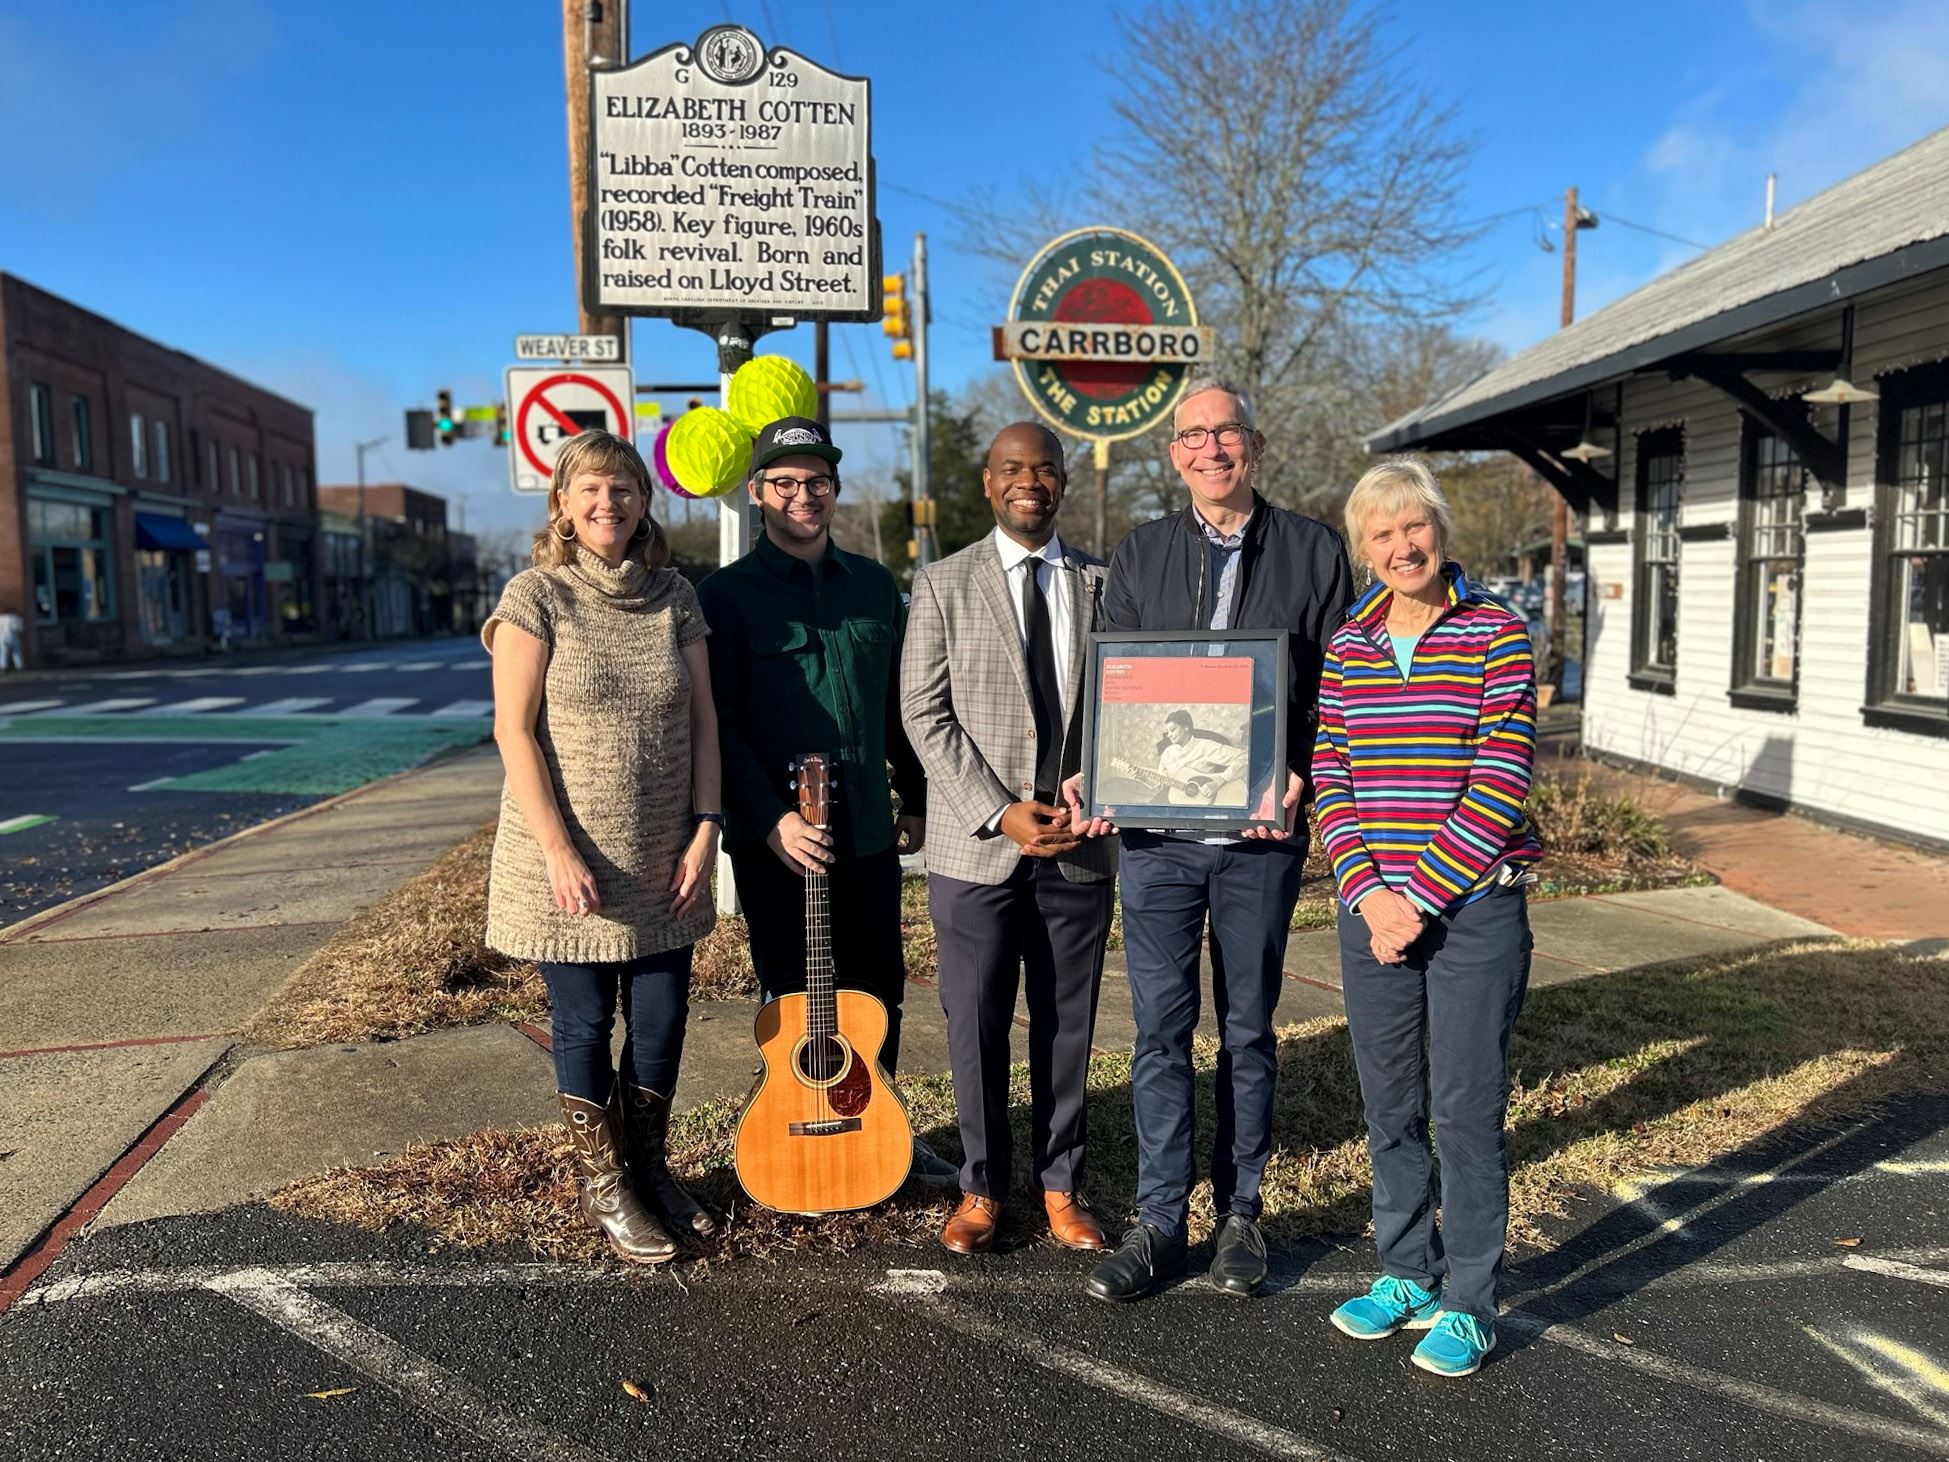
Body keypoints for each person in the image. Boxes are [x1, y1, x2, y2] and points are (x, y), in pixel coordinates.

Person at [1070, 377, 1354, 1303]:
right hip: (1155, 842)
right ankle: (1160, 1221)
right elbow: (1111, 681)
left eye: (1225, 432)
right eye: (1192, 436)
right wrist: (1093, 767)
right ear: (1173, 455)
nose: (1210, 449)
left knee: (1245, 1029)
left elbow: (1337, 688)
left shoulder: (1313, 551)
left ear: (1255, 444)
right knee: (1158, 1031)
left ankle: (1240, 1215)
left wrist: (1305, 769)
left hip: (1258, 837)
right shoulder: (1141, 552)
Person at [1312, 455, 1540, 1378]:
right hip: (1372, 918)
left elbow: (1499, 782)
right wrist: (1368, 892)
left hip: (1472, 915)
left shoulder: (1496, 631)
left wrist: (1416, 896)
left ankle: (1470, 1299)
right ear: (1363, 549)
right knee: (1390, 1102)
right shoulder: (1348, 641)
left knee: (1466, 1106)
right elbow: (1330, 777)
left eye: (1414, 525)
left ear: (1439, 529)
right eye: (1381, 532)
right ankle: (1405, 1269)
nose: (1401, 545)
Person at [483, 429, 723, 1266]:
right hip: (570, 858)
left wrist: (706, 829)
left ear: (644, 502)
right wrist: (554, 848)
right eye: (589, 489)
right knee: (584, 1022)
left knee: (659, 1021)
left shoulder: (674, 597)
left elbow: (703, 722)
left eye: (622, 488)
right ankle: (605, 1185)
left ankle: (650, 1169)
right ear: (561, 504)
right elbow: (513, 733)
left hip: (665, 859)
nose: (606, 503)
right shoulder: (535, 596)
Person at [697, 416, 955, 1187]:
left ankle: (882, 1134)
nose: (802, 495)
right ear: (757, 494)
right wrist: (770, 820)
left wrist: (913, 797)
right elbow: (722, 724)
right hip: (777, 839)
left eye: (816, 482)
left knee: (877, 990)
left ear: (834, 490)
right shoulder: (727, 597)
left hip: (867, 830)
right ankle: (797, 1132)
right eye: (785, 483)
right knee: (792, 1004)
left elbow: (899, 706)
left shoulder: (875, 586)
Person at [901, 421, 1117, 1256]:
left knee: (1068, 1023)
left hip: (1080, 841)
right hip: (976, 845)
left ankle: (1060, 1184)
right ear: (990, 484)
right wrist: (998, 809)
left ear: (1063, 482)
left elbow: (1129, 704)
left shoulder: (1107, 582)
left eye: (1045, 469)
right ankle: (983, 1186)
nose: (1030, 481)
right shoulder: (944, 583)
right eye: (1012, 469)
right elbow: (924, 711)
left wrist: (1099, 791)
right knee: (977, 1021)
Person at [0, 605, 24, 672]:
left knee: (3, 652)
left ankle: (3, 667)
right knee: (16, 652)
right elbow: (19, 629)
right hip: (13, 635)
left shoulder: (1, 618)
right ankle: (19, 667)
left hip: (2, 636)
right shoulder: (16, 618)